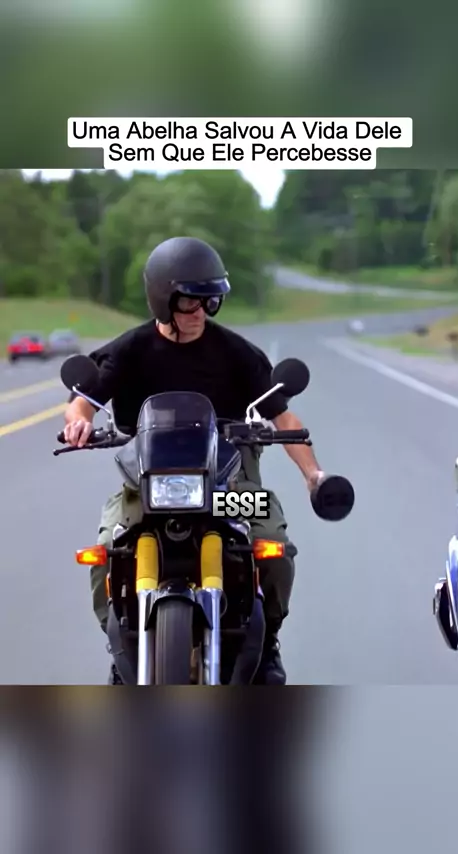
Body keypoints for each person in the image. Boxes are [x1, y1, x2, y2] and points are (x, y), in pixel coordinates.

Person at [63, 236, 325, 685]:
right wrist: (78, 423)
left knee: (273, 546)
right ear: (162, 300)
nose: (201, 311)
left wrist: (314, 474)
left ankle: (267, 642)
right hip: (147, 485)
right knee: (105, 551)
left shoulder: (237, 353)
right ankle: (123, 643)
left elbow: (283, 415)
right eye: (190, 301)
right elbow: (81, 402)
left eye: (210, 301)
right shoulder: (130, 350)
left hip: (229, 486)